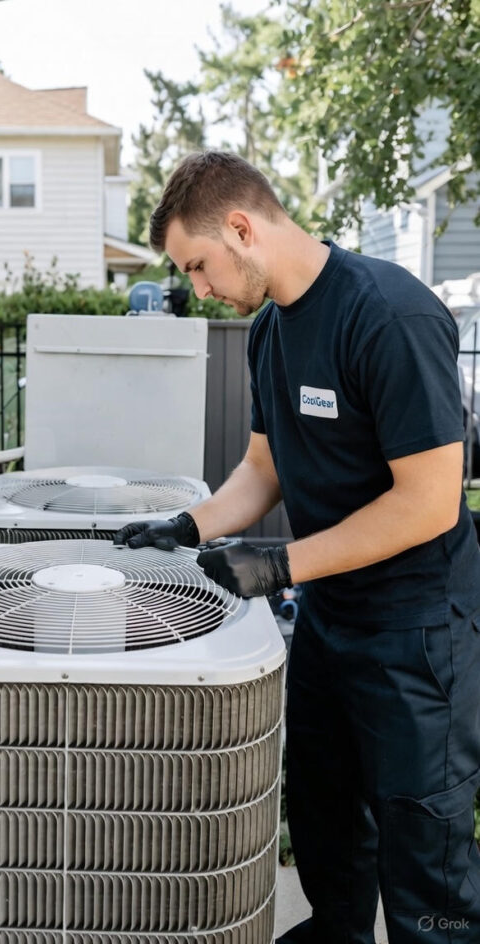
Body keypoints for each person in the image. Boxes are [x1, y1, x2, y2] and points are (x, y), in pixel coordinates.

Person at [114, 151, 480, 944]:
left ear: (240, 228)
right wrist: (192, 524)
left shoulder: (388, 315)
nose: (199, 289)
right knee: (324, 825)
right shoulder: (271, 333)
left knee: (427, 862)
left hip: (418, 633)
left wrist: (277, 565)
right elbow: (261, 469)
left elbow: (426, 503)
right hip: (329, 622)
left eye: (199, 265)